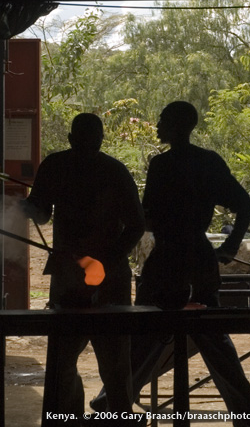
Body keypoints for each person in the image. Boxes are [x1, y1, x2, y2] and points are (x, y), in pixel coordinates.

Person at [91, 102, 250, 426]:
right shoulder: (208, 162)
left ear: (175, 125)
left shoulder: (161, 165)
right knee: (214, 340)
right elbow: (245, 204)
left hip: (167, 259)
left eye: (162, 119)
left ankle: (110, 403)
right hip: (199, 258)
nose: (157, 123)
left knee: (145, 333)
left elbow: (150, 218)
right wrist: (229, 244)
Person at [20, 113, 145, 426]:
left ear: (70, 138)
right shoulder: (114, 170)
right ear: (101, 139)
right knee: (115, 359)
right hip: (108, 276)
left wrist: (20, 207)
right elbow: (136, 226)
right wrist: (107, 262)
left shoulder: (56, 165)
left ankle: (65, 418)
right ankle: (117, 418)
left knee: (63, 357)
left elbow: (41, 213)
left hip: (70, 273)